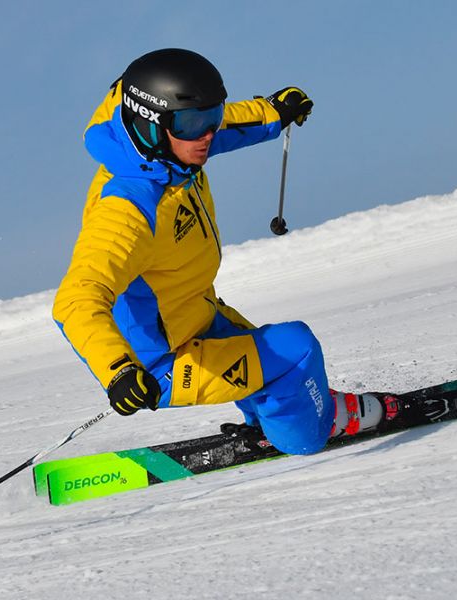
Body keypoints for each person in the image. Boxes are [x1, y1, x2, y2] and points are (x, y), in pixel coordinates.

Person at [53, 49, 391, 455]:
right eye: (196, 124)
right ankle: (318, 427)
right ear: (150, 124)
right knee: (296, 349)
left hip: (195, 315)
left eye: (211, 118)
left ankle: (280, 408)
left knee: (268, 358)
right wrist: (118, 371)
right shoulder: (127, 211)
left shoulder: (164, 141)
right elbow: (76, 300)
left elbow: (219, 124)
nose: (208, 135)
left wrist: (271, 113)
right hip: (163, 364)